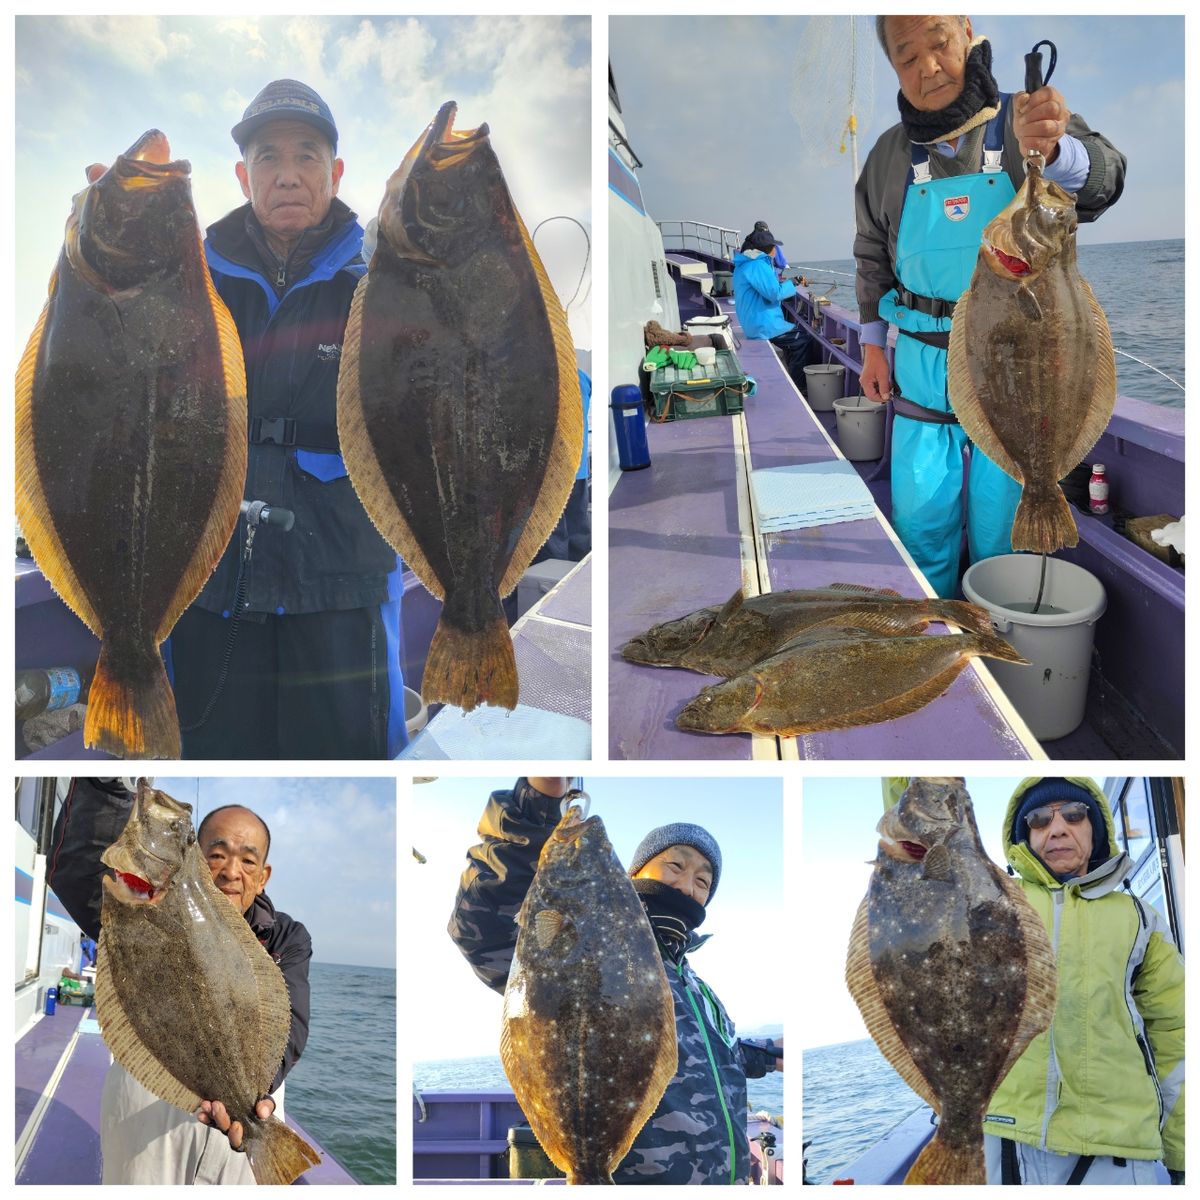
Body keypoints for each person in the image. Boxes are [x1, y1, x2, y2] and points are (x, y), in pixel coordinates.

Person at [144, 78, 408, 760]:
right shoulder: (184, 275)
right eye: (267, 157)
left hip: (344, 582)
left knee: (358, 760)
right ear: (241, 175)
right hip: (209, 583)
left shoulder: (385, 276)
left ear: (336, 171)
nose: (287, 175)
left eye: (307, 155)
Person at [854, 17, 1126, 597]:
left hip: (1019, 364)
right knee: (919, 521)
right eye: (906, 56)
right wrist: (872, 345)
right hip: (923, 367)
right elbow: (871, 253)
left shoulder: (1022, 118)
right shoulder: (885, 157)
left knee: (1004, 532)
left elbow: (1105, 179)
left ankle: (998, 636)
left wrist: (1058, 152)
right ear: (893, 68)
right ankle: (935, 640)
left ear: (967, 34)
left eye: (939, 42)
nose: (927, 66)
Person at [448, 777, 782, 1184]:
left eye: (702, 881)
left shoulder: (696, 987)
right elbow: (479, 925)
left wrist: (765, 1054)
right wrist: (535, 800)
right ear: (630, 874)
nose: (686, 885)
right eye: (675, 865)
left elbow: (713, 1053)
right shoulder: (577, 942)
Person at [47, 779, 312, 1184]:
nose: (230, 872)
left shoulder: (287, 937)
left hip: (255, 1103)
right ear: (194, 862)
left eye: (247, 861)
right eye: (216, 855)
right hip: (148, 1105)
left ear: (263, 876)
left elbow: (291, 1023)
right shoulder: (140, 911)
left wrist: (255, 1099)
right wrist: (105, 786)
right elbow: (76, 866)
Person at [983, 778, 1184, 1185]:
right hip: (1006, 1141)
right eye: (1039, 820)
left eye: (1074, 814)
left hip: (1117, 1150)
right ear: (1025, 836)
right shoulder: (992, 905)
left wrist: (1183, 1148)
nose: (1057, 828)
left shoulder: (1141, 918)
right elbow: (924, 865)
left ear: (1097, 828)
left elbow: (1176, 1033)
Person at [732, 226, 816, 390]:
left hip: (754, 321)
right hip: (763, 324)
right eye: (773, 247)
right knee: (802, 340)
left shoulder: (746, 264)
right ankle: (799, 387)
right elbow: (774, 293)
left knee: (796, 336)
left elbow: (767, 288)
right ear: (765, 250)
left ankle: (792, 379)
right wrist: (792, 283)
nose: (775, 251)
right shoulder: (757, 265)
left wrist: (791, 282)